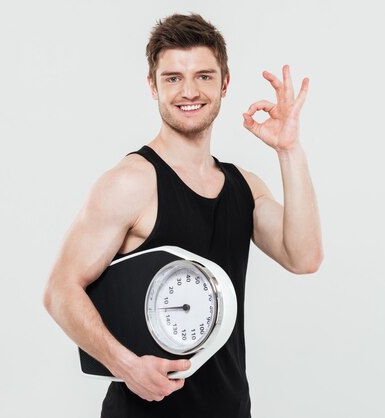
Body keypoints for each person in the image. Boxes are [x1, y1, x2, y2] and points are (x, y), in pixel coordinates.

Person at [43, 13, 323, 418]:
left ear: (224, 83)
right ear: (152, 86)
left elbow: (305, 257)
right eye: (172, 77)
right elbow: (59, 290)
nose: (188, 91)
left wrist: (289, 150)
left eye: (204, 76)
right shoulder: (131, 182)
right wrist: (126, 367)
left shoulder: (244, 186)